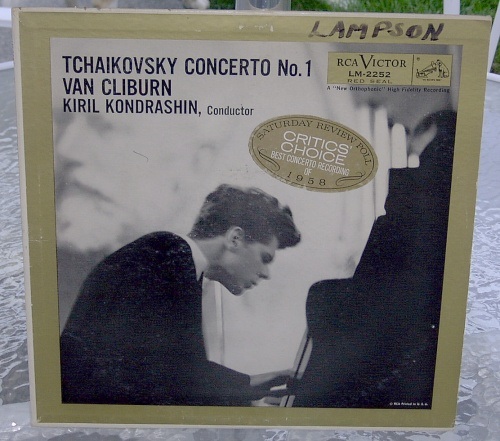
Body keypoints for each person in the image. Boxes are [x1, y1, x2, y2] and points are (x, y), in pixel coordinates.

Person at [60, 184, 301, 406]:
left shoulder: (173, 258)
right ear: (234, 238)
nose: (266, 273)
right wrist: (245, 391)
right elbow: (167, 377)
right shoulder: (165, 253)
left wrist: (248, 386)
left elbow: (168, 369)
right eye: (265, 258)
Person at [291, 110, 457, 409]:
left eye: (422, 156)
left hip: (408, 325)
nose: (414, 164)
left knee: (325, 300)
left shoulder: (426, 202)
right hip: (415, 322)